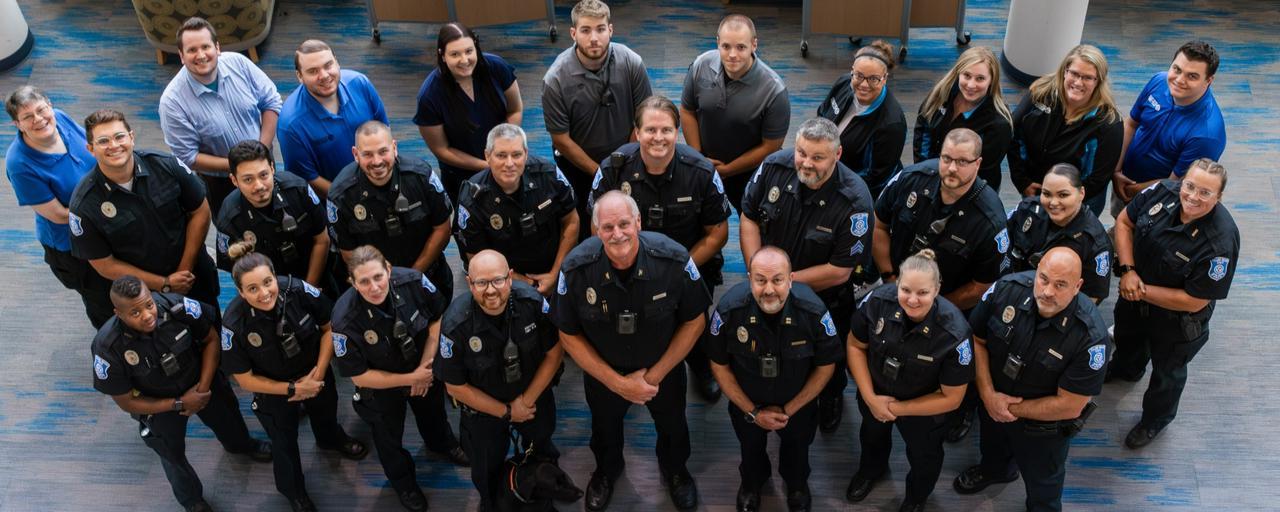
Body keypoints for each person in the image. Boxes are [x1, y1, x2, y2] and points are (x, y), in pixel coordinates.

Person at [550, 191, 710, 511]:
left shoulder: (674, 260)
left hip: (662, 369)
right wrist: (617, 383)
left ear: (638, 222)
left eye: (624, 223)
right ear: (596, 230)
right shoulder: (576, 269)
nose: (617, 233)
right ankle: (607, 472)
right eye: (607, 227)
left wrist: (654, 376)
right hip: (604, 373)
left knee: (673, 425)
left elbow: (695, 321)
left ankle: (676, 471)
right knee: (604, 428)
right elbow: (568, 335)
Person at [589, 95, 731, 402]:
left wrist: (678, 269)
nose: (658, 137)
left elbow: (718, 233)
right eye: (650, 130)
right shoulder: (614, 169)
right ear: (636, 133)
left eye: (666, 130)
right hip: (623, 262)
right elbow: (596, 223)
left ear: (677, 132)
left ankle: (700, 367)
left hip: (689, 264)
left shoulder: (701, 172)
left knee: (692, 321)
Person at [739, 117, 876, 434]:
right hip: (770, 287)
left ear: (837, 155)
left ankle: (831, 396)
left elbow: (840, 271)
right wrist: (756, 272)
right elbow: (748, 217)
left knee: (830, 354)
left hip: (824, 298)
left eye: (818, 157)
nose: (806, 163)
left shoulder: (855, 201)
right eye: (801, 153)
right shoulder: (774, 166)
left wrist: (781, 283)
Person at [91, 275, 271, 512]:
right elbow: (126, 401)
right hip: (159, 404)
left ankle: (241, 445)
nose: (147, 315)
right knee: (171, 454)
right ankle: (192, 500)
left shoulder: (176, 306)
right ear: (118, 313)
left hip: (200, 382)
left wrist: (203, 388)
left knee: (228, 418)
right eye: (135, 313)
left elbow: (210, 339)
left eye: (148, 305)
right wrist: (178, 404)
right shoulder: (107, 348)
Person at [872, 128, 1006, 442]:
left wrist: (935, 305)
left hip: (952, 308)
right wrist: (892, 279)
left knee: (957, 366)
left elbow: (983, 285)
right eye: (947, 158)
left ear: (978, 164)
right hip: (898, 290)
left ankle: (962, 412)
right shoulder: (912, 178)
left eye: (962, 161)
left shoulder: (990, 220)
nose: (951, 168)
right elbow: (879, 224)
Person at [951, 248, 1110, 512]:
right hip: (993, 400)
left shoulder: (1090, 337)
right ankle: (995, 471)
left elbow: (1070, 405)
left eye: (1061, 285)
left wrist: (1006, 408)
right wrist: (989, 395)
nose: (1047, 291)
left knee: (1043, 484)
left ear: (1078, 286)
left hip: (1041, 428)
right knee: (993, 449)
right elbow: (977, 341)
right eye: (1044, 279)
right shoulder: (1006, 290)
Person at [220, 244, 368, 512]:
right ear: (240, 292)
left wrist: (320, 371)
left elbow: (329, 328)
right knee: (283, 444)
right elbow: (244, 379)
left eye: (268, 282)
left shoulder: (298, 290)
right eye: (252, 289)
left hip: (315, 373)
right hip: (274, 391)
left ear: (275, 276)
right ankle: (294, 492)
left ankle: (330, 439)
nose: (265, 293)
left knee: (326, 414)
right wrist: (291, 388)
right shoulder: (233, 324)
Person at [1110, 159, 1239, 448]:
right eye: (1189, 186)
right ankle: (1126, 370)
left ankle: (1155, 420)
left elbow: (1194, 301)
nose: (1193, 196)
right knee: (1127, 338)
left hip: (1176, 320)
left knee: (1167, 375)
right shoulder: (1161, 191)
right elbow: (1125, 222)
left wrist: (1138, 289)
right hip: (1133, 295)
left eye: (1205, 193)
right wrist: (1129, 271)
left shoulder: (1220, 242)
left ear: (1218, 197)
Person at [331, 245, 468, 512]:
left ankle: (443, 444)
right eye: (364, 281)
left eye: (378, 277)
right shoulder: (344, 319)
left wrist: (424, 370)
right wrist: (409, 379)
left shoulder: (414, 282)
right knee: (388, 438)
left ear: (389, 270)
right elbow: (359, 376)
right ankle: (404, 483)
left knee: (434, 413)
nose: (374, 287)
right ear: (352, 282)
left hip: (422, 365)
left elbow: (437, 320)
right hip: (381, 385)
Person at [707, 247, 839, 512]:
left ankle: (797, 484)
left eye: (777, 280)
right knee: (750, 447)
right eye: (760, 280)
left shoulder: (813, 312)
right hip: (747, 402)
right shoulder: (729, 311)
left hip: (798, 404)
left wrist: (789, 410)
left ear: (790, 279)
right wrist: (754, 412)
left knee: (798, 448)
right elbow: (719, 366)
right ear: (749, 278)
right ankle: (752, 483)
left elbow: (826, 367)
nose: (769, 289)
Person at [437, 250, 565, 511]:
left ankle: (543, 499)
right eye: (481, 283)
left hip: (532, 399)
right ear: (470, 284)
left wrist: (523, 404)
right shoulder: (455, 325)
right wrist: (507, 412)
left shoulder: (532, 303)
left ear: (509, 278)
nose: (491, 290)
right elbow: (455, 386)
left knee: (543, 454)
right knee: (485, 469)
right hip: (484, 412)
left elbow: (554, 354)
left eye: (497, 280)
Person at [845, 249, 972, 512]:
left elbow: (952, 398)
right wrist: (870, 398)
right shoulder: (877, 301)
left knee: (925, 458)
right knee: (871, 438)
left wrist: (894, 409)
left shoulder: (954, 334)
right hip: (875, 393)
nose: (912, 300)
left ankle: (916, 498)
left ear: (937, 289)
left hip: (923, 409)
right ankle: (872, 471)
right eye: (905, 290)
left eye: (923, 293)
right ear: (897, 284)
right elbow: (855, 345)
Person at [69, 109, 220, 321]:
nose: (114, 146)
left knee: (209, 326)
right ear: (91, 149)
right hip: (142, 296)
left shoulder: (167, 165)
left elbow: (200, 210)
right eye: (103, 141)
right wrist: (164, 283)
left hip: (192, 274)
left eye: (119, 136)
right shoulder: (85, 204)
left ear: (131, 137)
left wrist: (182, 272)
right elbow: (105, 264)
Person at [543, 0, 653, 235]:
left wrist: (623, 162)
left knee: (633, 217)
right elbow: (561, 139)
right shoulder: (555, 79)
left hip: (628, 157)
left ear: (610, 30)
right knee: (587, 224)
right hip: (578, 165)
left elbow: (643, 118)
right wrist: (600, 172)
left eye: (600, 29)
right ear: (573, 33)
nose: (594, 38)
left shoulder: (632, 62)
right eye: (585, 30)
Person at [4, 85, 111, 328]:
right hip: (71, 242)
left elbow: (91, 150)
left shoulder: (60, 118)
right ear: (17, 125)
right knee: (101, 299)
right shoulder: (19, 164)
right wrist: (108, 211)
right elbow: (59, 215)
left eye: (41, 110)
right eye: (27, 117)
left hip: (102, 218)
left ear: (50, 105)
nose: (39, 119)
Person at [158, 16, 281, 215]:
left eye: (205, 47)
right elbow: (188, 156)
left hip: (264, 161)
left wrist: (262, 149)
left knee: (280, 213)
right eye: (191, 50)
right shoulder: (172, 103)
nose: (201, 55)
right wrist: (238, 166)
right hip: (221, 182)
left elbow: (271, 102)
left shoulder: (239, 63)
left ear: (217, 47)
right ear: (181, 56)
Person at [327, 121, 455, 303]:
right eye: (367, 154)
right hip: (375, 289)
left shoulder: (421, 176)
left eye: (383, 151)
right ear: (356, 154)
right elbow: (348, 252)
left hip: (428, 276)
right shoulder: (341, 195)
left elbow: (442, 228)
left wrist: (410, 276)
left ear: (394, 148)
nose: (377, 161)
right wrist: (382, 281)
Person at [680, 14, 790, 211]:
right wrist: (698, 158)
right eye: (726, 46)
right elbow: (687, 111)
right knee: (696, 216)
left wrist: (728, 170)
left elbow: (771, 146)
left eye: (741, 47)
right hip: (703, 164)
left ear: (754, 45)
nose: (732, 55)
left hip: (748, 173)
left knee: (751, 220)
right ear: (718, 43)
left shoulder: (774, 90)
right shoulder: (701, 65)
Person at [454, 123, 579, 295]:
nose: (509, 163)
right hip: (503, 284)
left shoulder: (548, 175)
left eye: (517, 154)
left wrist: (555, 274)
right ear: (487, 156)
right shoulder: (472, 199)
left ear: (526, 154)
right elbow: (475, 256)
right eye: (501, 155)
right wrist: (528, 283)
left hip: (555, 271)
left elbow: (571, 221)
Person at [1008, 44, 1123, 216]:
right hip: (1033, 189)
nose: (1078, 82)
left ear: (1098, 81)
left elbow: (1096, 180)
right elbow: (1014, 135)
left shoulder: (1109, 124)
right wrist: (1022, 181)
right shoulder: (1040, 93)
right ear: (1064, 71)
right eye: (1074, 73)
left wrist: (1054, 200)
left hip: (1078, 203)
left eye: (1087, 77)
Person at [1113, 41, 1226, 215]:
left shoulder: (1207, 134)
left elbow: (1177, 182)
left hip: (1158, 200)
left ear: (1209, 81)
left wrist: (1132, 190)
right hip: (1123, 179)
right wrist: (1116, 171)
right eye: (1177, 69)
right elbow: (1131, 124)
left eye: (1192, 76)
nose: (1179, 80)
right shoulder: (1159, 81)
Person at [414, 22, 522, 205]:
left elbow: (515, 109)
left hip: (506, 162)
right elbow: (442, 150)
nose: (464, 60)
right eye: (455, 54)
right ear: (442, 55)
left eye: (469, 51)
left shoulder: (496, 67)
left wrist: (505, 152)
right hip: (463, 175)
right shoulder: (429, 95)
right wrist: (488, 165)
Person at [215, 140, 331, 292]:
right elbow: (240, 272)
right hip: (266, 291)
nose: (259, 186)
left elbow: (322, 240)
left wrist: (308, 290)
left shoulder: (298, 190)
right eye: (248, 179)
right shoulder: (229, 218)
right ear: (234, 180)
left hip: (314, 275)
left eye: (263, 175)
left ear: (272, 169)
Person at [279, 39, 389, 198]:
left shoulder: (360, 83)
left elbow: (384, 129)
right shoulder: (290, 125)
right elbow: (308, 178)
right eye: (313, 71)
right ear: (300, 76)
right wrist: (351, 199)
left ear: (337, 62)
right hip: (341, 201)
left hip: (382, 179)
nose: (324, 75)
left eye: (328, 65)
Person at [1003, 163, 1112, 302]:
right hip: (1014, 295)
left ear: (1081, 193)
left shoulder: (1095, 243)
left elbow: (1089, 300)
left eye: (1063, 195)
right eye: (1046, 194)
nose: (1053, 202)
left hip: (1055, 309)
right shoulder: (1026, 211)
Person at [913, 46, 1013, 192]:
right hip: (930, 175)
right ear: (958, 73)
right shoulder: (942, 93)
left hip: (969, 190)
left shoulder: (999, 124)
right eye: (967, 75)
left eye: (980, 78)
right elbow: (924, 129)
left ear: (991, 81)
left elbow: (980, 170)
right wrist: (925, 171)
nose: (971, 85)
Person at [815, 40, 907, 197]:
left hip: (854, 190)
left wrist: (829, 179)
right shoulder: (844, 83)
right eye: (859, 76)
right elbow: (822, 114)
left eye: (873, 79)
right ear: (852, 72)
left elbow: (875, 177)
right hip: (824, 166)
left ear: (885, 78)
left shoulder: (892, 124)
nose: (864, 84)